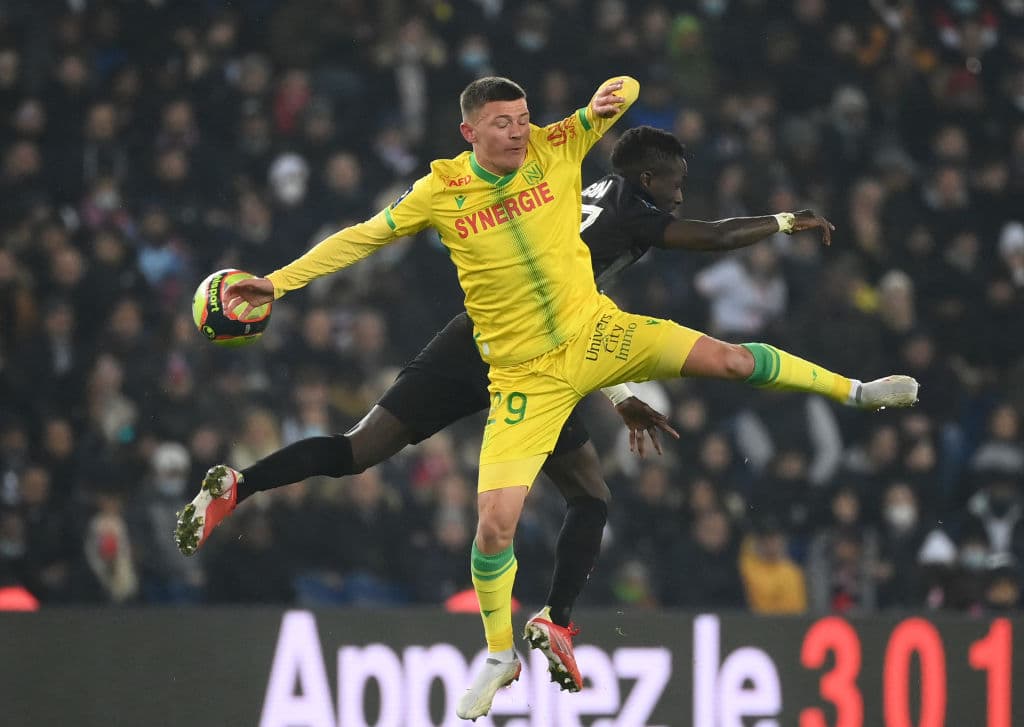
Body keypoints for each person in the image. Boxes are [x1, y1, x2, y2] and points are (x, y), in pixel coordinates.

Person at [199, 76, 919, 719]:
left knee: (714, 373)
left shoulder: (559, 144)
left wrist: (610, 97)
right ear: (469, 132)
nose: (517, 128)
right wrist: (280, 282)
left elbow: (626, 89)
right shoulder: (442, 191)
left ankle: (855, 392)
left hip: (594, 336)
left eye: (522, 117)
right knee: (479, 512)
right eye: (502, 121)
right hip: (507, 363)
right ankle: (500, 644)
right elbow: (359, 239)